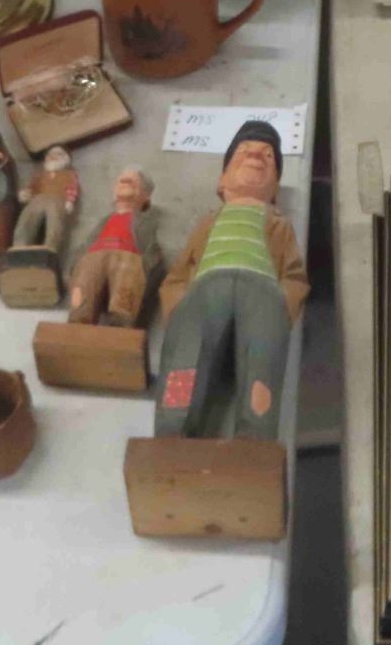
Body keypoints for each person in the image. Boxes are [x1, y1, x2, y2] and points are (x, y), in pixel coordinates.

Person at [153, 122, 308, 442]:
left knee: (261, 364)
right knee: (185, 360)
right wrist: (178, 306)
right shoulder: (209, 221)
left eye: (268, 156)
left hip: (263, 293)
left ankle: (255, 441)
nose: (256, 157)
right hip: (204, 290)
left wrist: (282, 307)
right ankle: (172, 436)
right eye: (244, 152)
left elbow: (293, 274)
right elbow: (181, 271)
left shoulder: (279, 224)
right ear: (222, 180)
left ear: (276, 188)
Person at [68, 167, 159, 327]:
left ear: (146, 196)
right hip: (94, 256)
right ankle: (77, 323)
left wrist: (147, 267)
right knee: (83, 291)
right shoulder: (105, 220)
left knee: (124, 295)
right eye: (122, 181)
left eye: (134, 182)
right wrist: (76, 264)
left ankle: (120, 327)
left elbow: (151, 246)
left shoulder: (145, 221)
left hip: (128, 256)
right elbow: (87, 243)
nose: (125, 182)